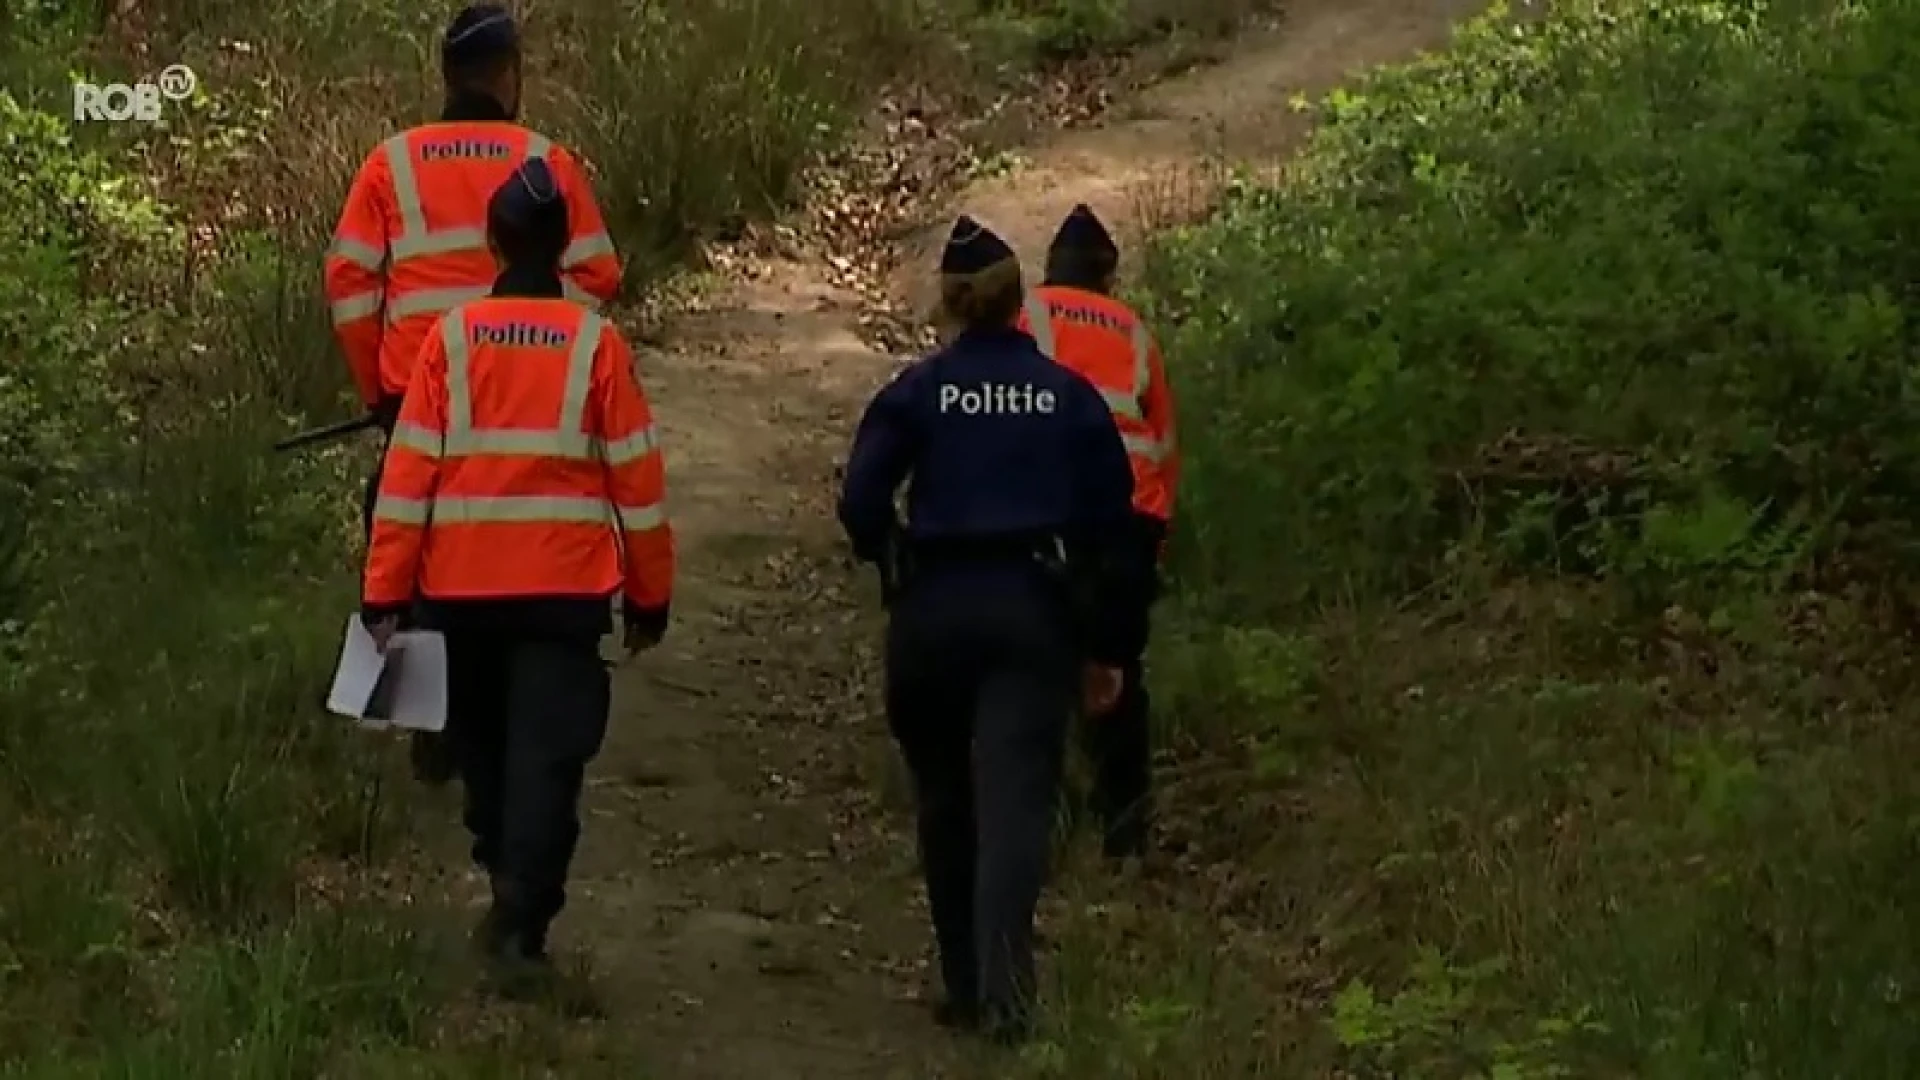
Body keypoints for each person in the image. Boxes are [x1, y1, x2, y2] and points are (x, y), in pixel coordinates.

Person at [360, 156, 673, 994]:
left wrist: (383, 595)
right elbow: (637, 485)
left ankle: (507, 889)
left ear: (493, 243)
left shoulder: (449, 341)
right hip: (563, 601)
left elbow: (406, 481)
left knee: (487, 751)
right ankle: (521, 918)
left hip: (460, 597)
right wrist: (651, 594)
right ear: (564, 245)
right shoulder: (597, 345)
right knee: (549, 759)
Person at [838, 215, 1146, 1042]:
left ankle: (965, 981)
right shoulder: (1067, 396)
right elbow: (1115, 528)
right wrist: (1106, 644)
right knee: (1015, 805)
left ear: (949, 305)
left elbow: (861, 497)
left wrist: (889, 552)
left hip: (933, 612)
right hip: (1027, 614)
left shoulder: (918, 389)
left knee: (943, 800)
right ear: (1021, 304)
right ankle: (1009, 997)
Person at [325, 3, 621, 785]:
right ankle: (493, 722)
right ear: (507, 76)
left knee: (398, 535)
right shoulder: (546, 161)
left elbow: (349, 285)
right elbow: (599, 276)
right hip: (523, 405)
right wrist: (550, 355)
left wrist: (379, 389)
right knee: (508, 546)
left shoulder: (392, 163)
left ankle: (421, 736)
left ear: (446, 77)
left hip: (417, 404)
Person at [1015, 203, 1180, 860]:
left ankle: (1041, 817)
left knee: (1036, 661)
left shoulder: (1028, 317)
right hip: (1130, 519)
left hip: (1054, 512)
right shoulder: (1134, 331)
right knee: (1119, 676)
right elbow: (1164, 444)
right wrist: (1154, 542)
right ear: (1109, 277)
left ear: (1050, 270)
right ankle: (1127, 831)